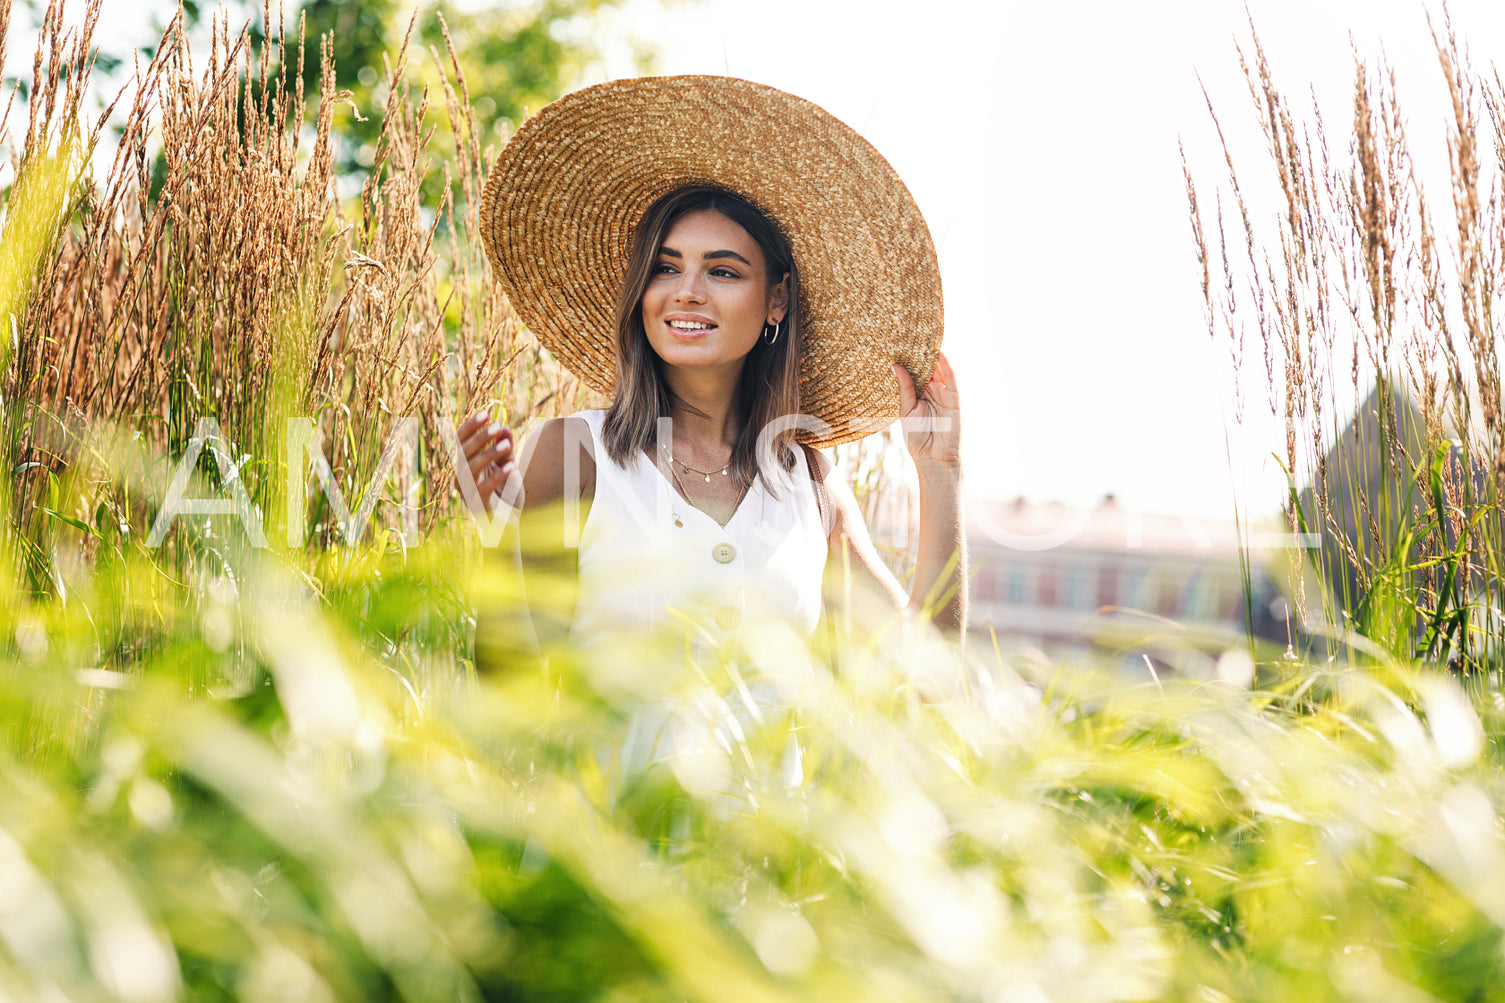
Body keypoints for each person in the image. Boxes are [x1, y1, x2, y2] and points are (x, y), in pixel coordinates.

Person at [457, 75, 966, 657]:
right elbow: (508, 688)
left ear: (777, 299)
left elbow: (931, 672)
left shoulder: (810, 483)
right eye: (666, 268)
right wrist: (496, 543)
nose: (687, 292)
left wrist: (940, 469)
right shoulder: (573, 454)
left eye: (723, 271)